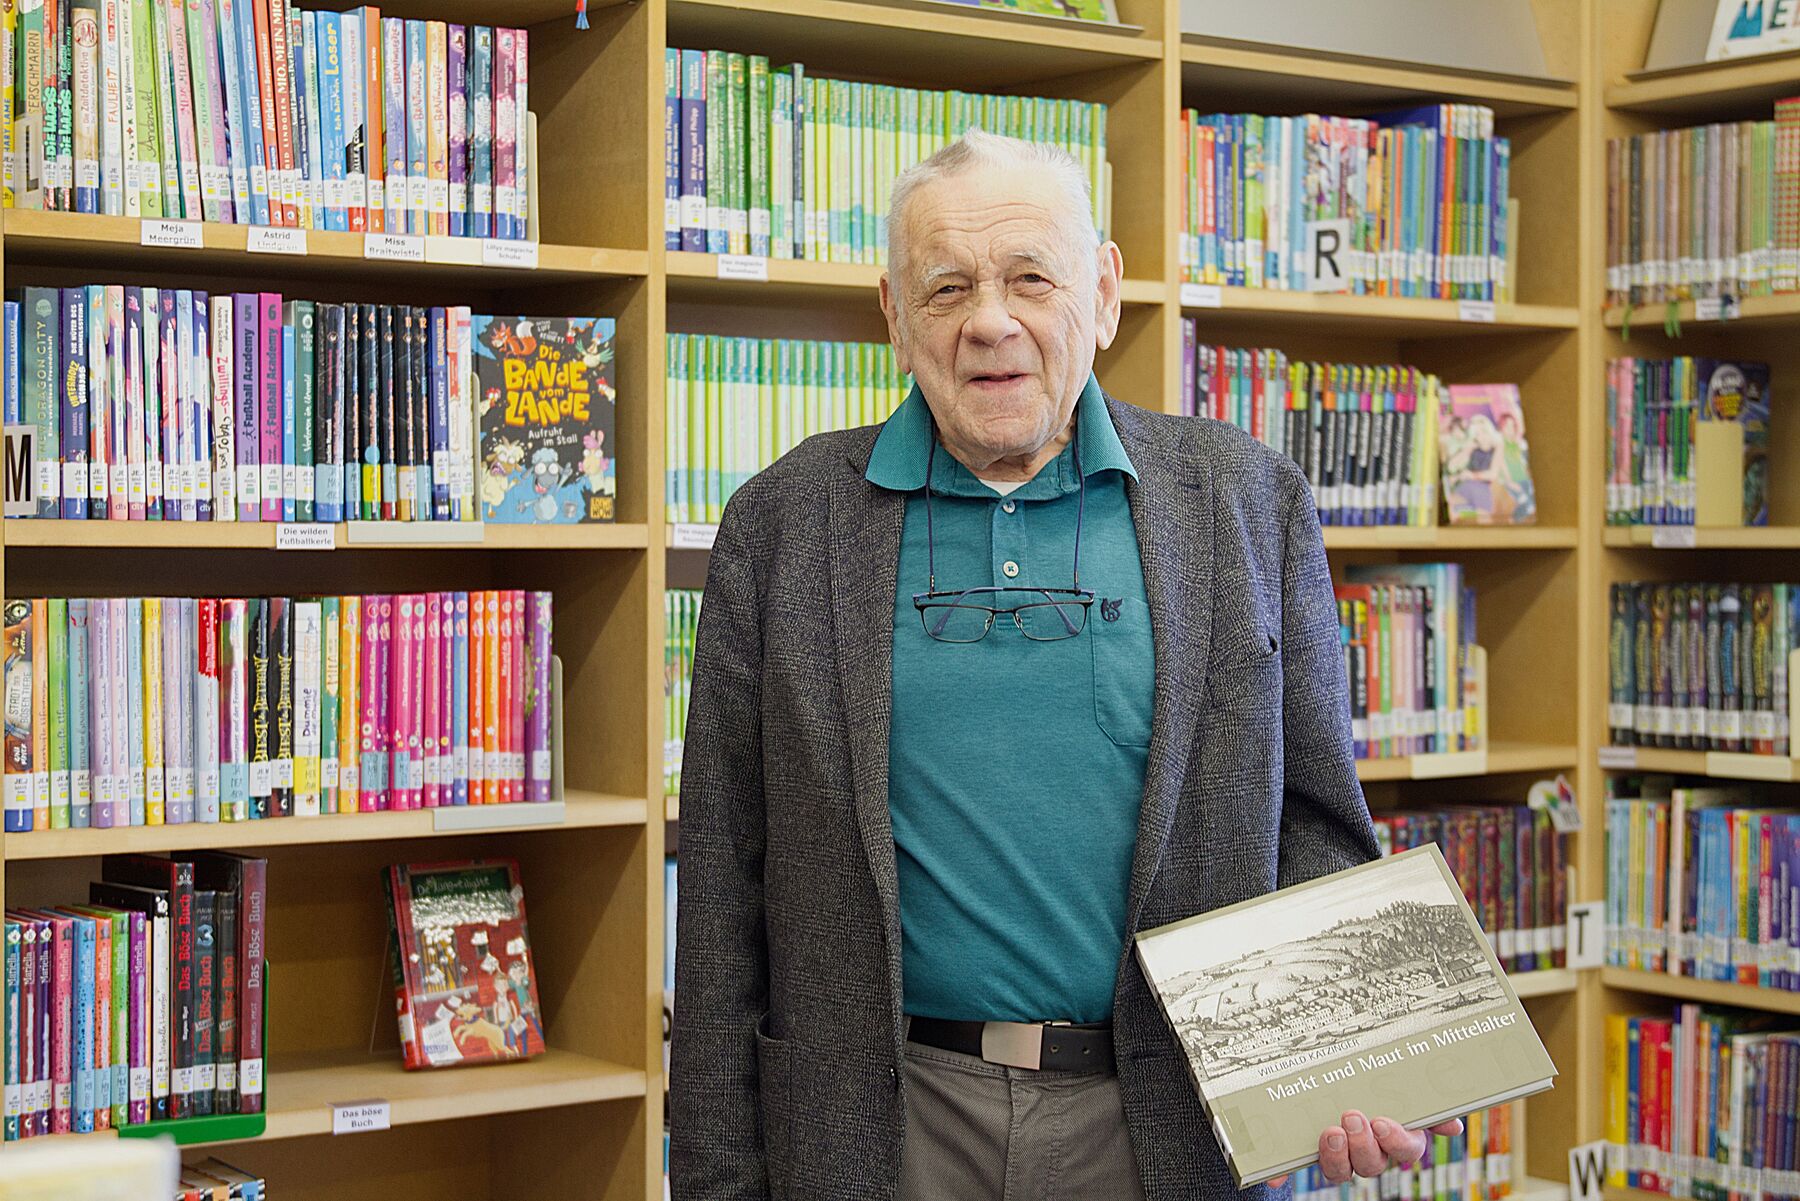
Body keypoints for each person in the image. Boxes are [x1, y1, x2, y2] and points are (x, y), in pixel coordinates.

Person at [669, 129, 1460, 1201]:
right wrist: (715, 1182)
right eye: (947, 287)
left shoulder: (1243, 500)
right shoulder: (784, 522)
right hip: (879, 1123)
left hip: (1173, 1123)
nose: (991, 319)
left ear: (1103, 289)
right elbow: (722, 887)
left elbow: (1316, 819)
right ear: (895, 318)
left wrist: (1355, 1051)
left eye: (1030, 277)